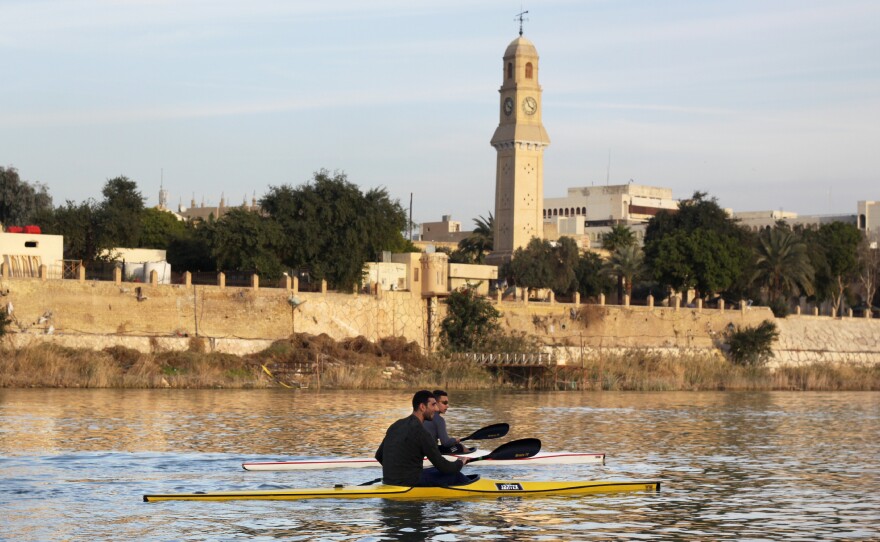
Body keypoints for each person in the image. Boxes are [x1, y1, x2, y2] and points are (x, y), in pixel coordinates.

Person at [375, 390, 470, 487]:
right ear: (422, 407)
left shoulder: (396, 425)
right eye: (433, 405)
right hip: (410, 482)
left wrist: (395, 475)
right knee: (454, 475)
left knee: (434, 470)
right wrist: (460, 463)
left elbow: (379, 455)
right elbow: (444, 467)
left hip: (389, 480)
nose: (436, 409)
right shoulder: (422, 432)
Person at [423, 389, 468, 453]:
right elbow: (445, 443)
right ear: (435, 403)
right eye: (444, 403)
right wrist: (455, 440)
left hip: (420, 450)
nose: (447, 406)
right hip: (432, 453)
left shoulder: (422, 415)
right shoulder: (439, 420)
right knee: (459, 447)